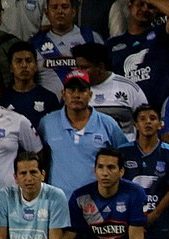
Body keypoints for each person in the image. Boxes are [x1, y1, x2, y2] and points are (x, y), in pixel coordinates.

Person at [62, 147, 169, 239]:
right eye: (100, 167)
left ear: (121, 171)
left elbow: (136, 238)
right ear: (94, 171)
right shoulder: (80, 197)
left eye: (111, 167)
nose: (105, 173)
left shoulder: (134, 193)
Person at [38, 69, 129, 198]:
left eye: (81, 90)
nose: (76, 95)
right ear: (63, 94)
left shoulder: (108, 124)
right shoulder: (47, 123)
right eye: (71, 90)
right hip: (59, 202)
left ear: (90, 94)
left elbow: (124, 158)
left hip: (99, 202)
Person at [120, 104, 169, 239]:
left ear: (160, 124)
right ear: (135, 124)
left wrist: (155, 214)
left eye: (153, 118)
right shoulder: (123, 152)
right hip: (127, 228)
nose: (148, 122)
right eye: (142, 119)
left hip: (162, 229)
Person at [107, 0, 169, 111]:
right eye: (140, 4)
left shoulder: (161, 33)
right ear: (130, 6)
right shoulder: (112, 44)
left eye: (150, 7)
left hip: (162, 110)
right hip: (129, 111)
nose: (145, 9)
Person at [30, 0, 104, 98]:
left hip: (87, 102)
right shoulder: (35, 43)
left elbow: (104, 73)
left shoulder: (91, 37)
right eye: (54, 7)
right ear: (46, 13)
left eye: (64, 7)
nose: (60, 11)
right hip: (47, 104)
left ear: (73, 11)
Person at [0, 42, 60, 128]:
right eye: (18, 61)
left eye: (28, 61)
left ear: (36, 66)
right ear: (11, 67)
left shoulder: (49, 98)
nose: (24, 65)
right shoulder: (3, 100)